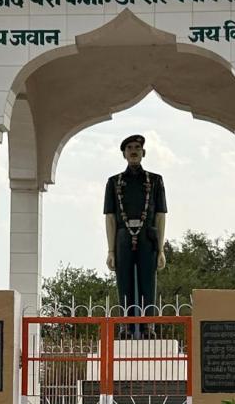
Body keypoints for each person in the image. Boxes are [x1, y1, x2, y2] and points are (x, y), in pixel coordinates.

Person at [103, 134, 167, 338]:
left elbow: (160, 215)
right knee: (124, 281)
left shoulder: (155, 180)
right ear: (124, 153)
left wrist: (161, 249)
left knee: (149, 280)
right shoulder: (114, 182)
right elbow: (110, 217)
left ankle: (149, 326)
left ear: (143, 152)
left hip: (147, 234)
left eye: (137, 147)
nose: (133, 150)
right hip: (122, 235)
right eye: (129, 147)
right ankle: (125, 326)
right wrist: (111, 250)